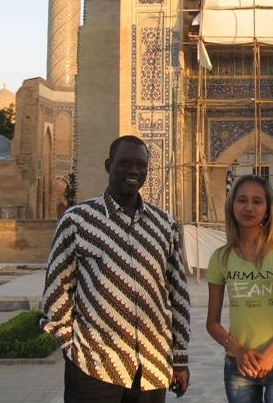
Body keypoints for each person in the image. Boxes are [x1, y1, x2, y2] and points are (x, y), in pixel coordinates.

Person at [41, 135, 192, 403]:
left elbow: (177, 292)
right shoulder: (79, 220)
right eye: (125, 163)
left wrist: (179, 357)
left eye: (141, 165)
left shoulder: (163, 224)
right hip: (95, 367)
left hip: (151, 366)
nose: (133, 171)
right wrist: (71, 347)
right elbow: (57, 289)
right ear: (109, 165)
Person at [206, 174, 273, 403]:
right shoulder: (220, 258)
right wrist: (239, 351)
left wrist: (270, 352)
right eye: (242, 200)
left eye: (257, 201)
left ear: (267, 209)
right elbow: (212, 323)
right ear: (232, 205)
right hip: (239, 366)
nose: (249, 207)